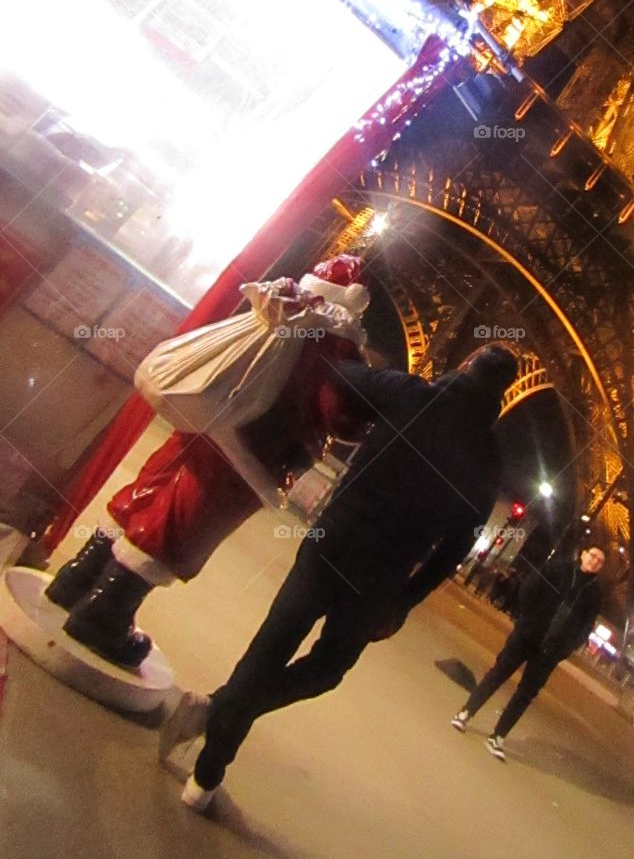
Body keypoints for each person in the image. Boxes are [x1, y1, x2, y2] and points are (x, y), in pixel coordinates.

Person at [164, 344, 519, 811]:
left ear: (468, 364)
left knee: (273, 642)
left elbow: (340, 374)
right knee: (327, 670)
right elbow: (453, 549)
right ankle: (212, 749)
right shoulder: (487, 463)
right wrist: (405, 601)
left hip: (332, 543)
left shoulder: (413, 393)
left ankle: (216, 732)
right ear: (502, 395)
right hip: (381, 578)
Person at [45, 255, 371, 668]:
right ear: (354, 302)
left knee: (149, 494)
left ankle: (78, 577)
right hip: (253, 452)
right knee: (184, 525)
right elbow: (341, 414)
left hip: (206, 417)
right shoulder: (336, 344)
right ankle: (105, 613)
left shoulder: (280, 306)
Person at [451, 545, 605, 760]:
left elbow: (585, 628)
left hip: (550, 652)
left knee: (525, 696)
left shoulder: (594, 594)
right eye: (593, 555)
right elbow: (530, 587)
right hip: (527, 636)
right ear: (583, 554)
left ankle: (498, 736)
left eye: (600, 561)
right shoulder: (559, 569)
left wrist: (564, 649)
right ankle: (466, 712)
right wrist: (527, 620)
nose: (595, 561)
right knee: (498, 673)